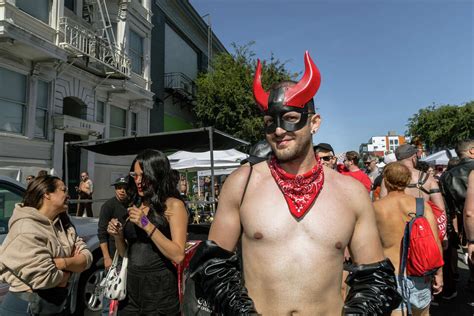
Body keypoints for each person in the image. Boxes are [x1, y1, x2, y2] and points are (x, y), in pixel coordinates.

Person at [186, 51, 401, 315]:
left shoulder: (351, 193)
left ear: (314, 122)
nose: (278, 130)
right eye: (269, 122)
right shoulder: (242, 184)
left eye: (289, 118)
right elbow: (212, 266)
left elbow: (375, 279)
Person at [107, 149, 188, 315]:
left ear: (156, 174)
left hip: (160, 289)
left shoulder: (173, 205)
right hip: (131, 288)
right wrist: (118, 236)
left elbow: (178, 255)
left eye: (142, 175)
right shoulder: (135, 202)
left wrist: (146, 224)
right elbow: (124, 253)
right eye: (134, 175)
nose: (137, 181)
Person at [0, 175, 92, 315]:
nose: (68, 194)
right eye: (63, 190)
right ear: (47, 194)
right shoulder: (26, 228)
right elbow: (45, 278)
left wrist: (61, 263)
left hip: (54, 305)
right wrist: (71, 271)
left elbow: (87, 258)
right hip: (26, 307)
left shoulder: (64, 224)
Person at [373, 162, 443, 315]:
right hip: (418, 273)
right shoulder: (422, 205)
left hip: (389, 274)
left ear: (385, 180)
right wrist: (439, 273)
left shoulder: (375, 208)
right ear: (407, 181)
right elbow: (435, 241)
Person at [440, 139, 474, 293]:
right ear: (472, 151)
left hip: (464, 223)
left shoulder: (447, 176)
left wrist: (450, 233)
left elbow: (447, 210)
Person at [97, 176, 129, 315]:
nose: (122, 191)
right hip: (114, 256)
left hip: (130, 255)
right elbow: (102, 233)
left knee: (125, 292)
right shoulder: (108, 206)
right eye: (118, 187)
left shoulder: (134, 204)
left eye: (125, 187)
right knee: (110, 291)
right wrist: (106, 257)